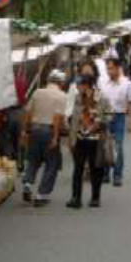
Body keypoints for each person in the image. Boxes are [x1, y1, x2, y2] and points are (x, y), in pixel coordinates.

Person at [67, 75, 113, 209]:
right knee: (78, 168)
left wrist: (101, 122)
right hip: (80, 137)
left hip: (96, 139)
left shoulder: (101, 97)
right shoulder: (78, 98)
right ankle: (76, 198)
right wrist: (71, 138)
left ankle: (95, 197)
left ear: (87, 85)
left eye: (79, 85)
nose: (77, 87)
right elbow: (74, 118)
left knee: (95, 169)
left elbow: (110, 114)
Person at [22, 69, 67, 207]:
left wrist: (25, 130)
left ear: (48, 80)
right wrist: (56, 137)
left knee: (33, 159)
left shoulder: (37, 92)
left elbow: (28, 112)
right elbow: (58, 118)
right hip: (49, 131)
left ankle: (27, 183)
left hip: (35, 129)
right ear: (61, 82)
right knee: (52, 163)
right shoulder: (61, 96)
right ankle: (41, 195)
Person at [100, 58, 131, 187]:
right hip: (105, 116)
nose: (109, 71)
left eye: (111, 68)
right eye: (107, 69)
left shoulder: (127, 84)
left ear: (117, 68)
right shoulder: (103, 83)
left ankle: (117, 175)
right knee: (105, 145)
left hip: (119, 117)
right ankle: (105, 173)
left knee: (118, 145)